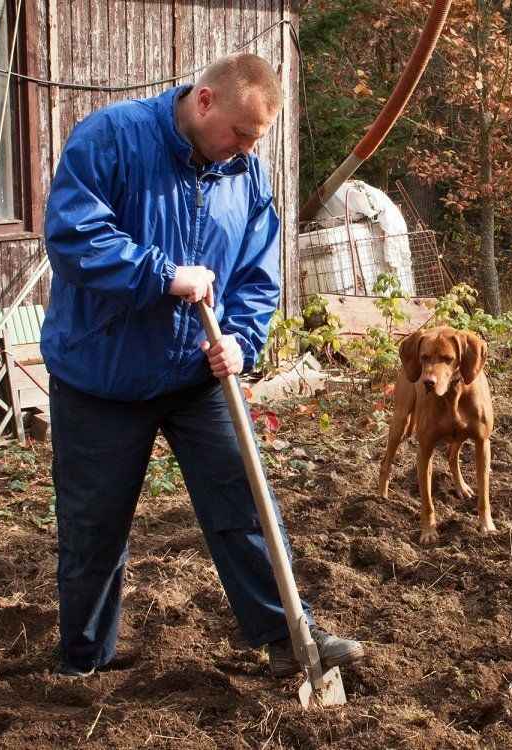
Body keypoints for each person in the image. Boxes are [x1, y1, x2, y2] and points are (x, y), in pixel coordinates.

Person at [40, 53, 364, 679]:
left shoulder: (246, 174)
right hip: (101, 377)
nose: (244, 149)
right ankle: (83, 662)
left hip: (196, 376)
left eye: (256, 139)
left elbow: (257, 277)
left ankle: (289, 638)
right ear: (206, 100)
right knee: (94, 531)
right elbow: (75, 237)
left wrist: (242, 340)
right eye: (240, 134)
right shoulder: (112, 138)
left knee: (245, 504)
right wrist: (162, 275)